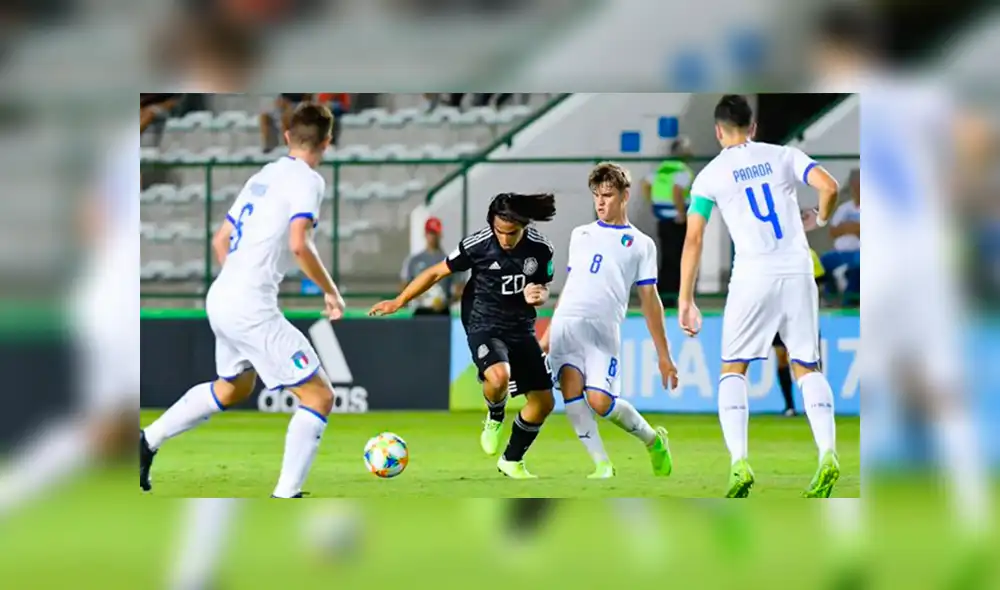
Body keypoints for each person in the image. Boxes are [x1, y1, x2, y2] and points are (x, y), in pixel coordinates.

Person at [140, 103, 346, 498]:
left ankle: (146, 441)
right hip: (249, 304)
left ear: (287, 136)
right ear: (328, 141)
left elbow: (220, 240)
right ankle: (286, 495)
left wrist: (240, 281)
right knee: (319, 395)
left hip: (222, 295)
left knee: (233, 388)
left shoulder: (263, 176)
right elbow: (299, 244)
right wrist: (330, 291)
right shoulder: (308, 180)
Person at [677, 94, 841, 498]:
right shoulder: (784, 155)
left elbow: (694, 238)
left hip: (753, 275)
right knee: (808, 367)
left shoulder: (711, 175)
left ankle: (739, 464)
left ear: (718, 132)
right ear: (753, 127)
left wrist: (685, 298)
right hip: (798, 269)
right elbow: (829, 187)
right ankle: (827, 454)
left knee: (733, 369)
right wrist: (820, 218)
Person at [370, 193, 557, 479]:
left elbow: (542, 287)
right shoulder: (478, 244)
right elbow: (436, 273)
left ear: (524, 225)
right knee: (499, 376)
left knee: (544, 403)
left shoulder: (541, 249)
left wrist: (539, 294)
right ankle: (495, 415)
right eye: (500, 232)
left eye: (513, 233)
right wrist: (400, 301)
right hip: (483, 322)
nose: (505, 239)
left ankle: (511, 460)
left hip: (521, 327)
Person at [540, 162, 678, 479]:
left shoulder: (641, 244)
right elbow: (571, 286)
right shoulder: (581, 235)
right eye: (596, 195)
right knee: (571, 393)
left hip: (603, 331)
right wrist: (547, 336)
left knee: (601, 402)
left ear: (624, 196)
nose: (601, 202)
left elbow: (650, 300)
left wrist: (664, 355)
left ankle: (654, 441)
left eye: (608, 195)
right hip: (567, 326)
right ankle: (602, 464)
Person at [773, 247, 827, 417]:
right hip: (778, 314)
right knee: (782, 358)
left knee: (810, 361)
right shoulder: (770, 255)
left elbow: (820, 282)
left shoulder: (808, 254)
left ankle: (817, 404)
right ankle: (789, 405)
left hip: (803, 315)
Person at [641, 137, 694, 307]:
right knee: (678, 258)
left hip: (662, 217)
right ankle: (674, 296)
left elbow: (645, 184)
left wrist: (653, 204)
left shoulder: (662, 168)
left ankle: (664, 295)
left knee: (666, 258)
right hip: (677, 220)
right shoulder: (683, 170)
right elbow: (677, 191)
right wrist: (681, 212)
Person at [399, 216, 460, 316]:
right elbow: (404, 285)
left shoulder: (450, 260)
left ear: (440, 234)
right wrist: (417, 296)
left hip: (442, 313)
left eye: (435, 233)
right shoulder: (414, 261)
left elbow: (459, 289)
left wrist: (446, 302)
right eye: (430, 233)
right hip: (421, 311)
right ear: (425, 234)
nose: (432, 237)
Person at [822, 168, 861, 304]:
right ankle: (830, 298)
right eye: (855, 185)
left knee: (858, 265)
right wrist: (854, 227)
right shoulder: (844, 208)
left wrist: (847, 227)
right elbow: (833, 231)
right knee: (823, 262)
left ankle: (849, 302)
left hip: (860, 252)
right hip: (840, 253)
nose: (857, 189)